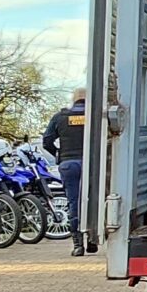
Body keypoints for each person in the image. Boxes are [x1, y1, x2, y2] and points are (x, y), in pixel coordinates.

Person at [41, 88, 91, 256]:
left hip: (68, 163)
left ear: (74, 99)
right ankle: (92, 240)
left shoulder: (60, 117)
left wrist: (58, 154)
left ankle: (78, 245)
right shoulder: (94, 115)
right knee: (93, 200)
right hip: (91, 164)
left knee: (74, 201)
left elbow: (47, 141)